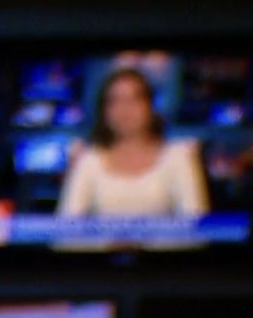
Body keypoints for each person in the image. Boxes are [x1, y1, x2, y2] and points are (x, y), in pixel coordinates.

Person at [57, 66, 209, 222]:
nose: (124, 109)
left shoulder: (178, 157)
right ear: (104, 110)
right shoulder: (88, 160)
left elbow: (196, 223)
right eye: (114, 101)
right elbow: (67, 227)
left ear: (150, 106)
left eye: (134, 100)